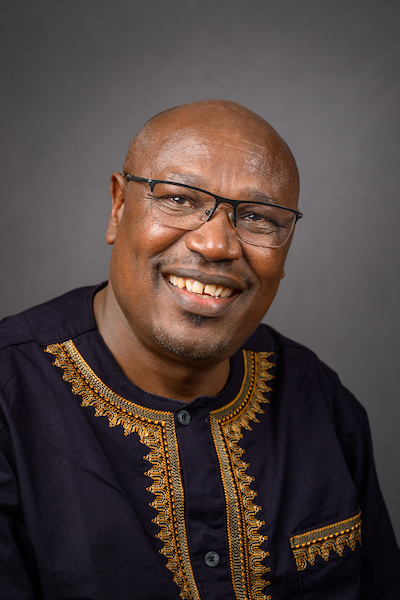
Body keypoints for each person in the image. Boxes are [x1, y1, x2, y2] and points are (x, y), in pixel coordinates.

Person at [0, 100, 399, 600]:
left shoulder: (318, 396)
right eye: (179, 199)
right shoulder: (10, 401)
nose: (215, 244)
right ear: (118, 207)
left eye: (258, 217)